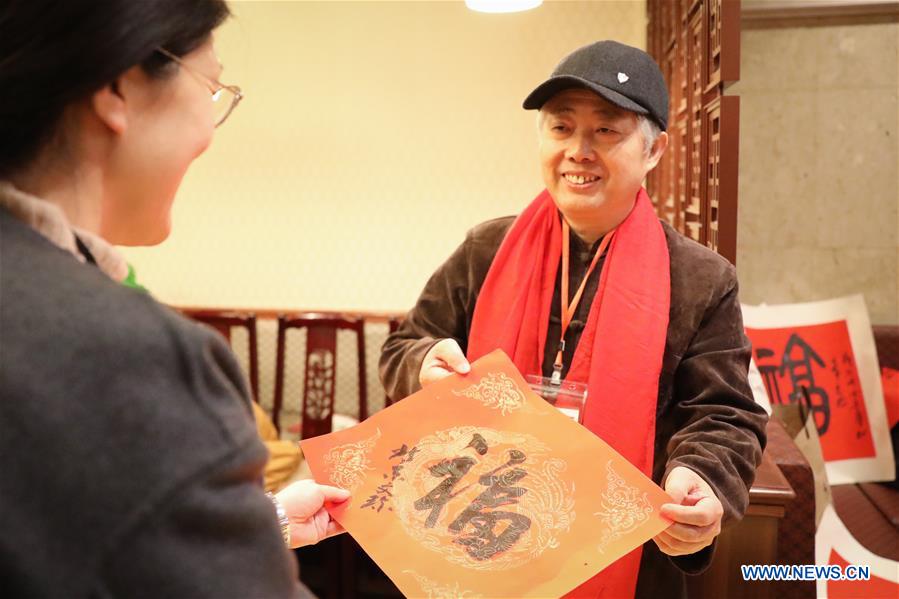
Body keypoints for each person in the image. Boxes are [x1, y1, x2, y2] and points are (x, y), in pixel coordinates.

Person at [380, 40, 768, 598]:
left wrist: (701, 476)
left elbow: (724, 413)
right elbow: (404, 347)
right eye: (561, 129)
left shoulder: (702, 278)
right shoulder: (487, 248)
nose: (578, 151)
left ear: (654, 150)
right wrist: (422, 365)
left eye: (605, 131)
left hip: (625, 556)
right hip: (481, 535)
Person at [0, 1, 347, 596]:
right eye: (212, 86)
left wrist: (260, 523)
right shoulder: (132, 354)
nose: (210, 131)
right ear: (118, 85)